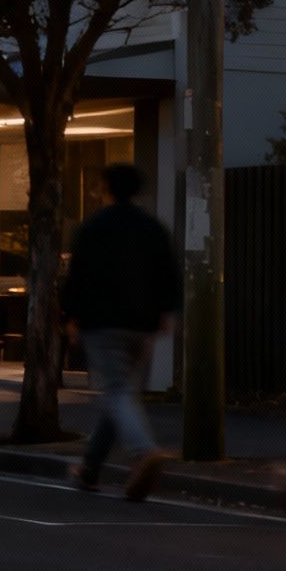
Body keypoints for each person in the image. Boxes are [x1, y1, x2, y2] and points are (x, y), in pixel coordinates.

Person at [62, 163, 179, 501]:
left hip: (102, 323)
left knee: (116, 392)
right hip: (142, 323)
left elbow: (78, 275)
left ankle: (144, 451)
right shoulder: (152, 228)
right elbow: (168, 273)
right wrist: (165, 311)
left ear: (107, 188)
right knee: (122, 394)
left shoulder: (93, 227)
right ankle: (90, 468)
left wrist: (71, 316)